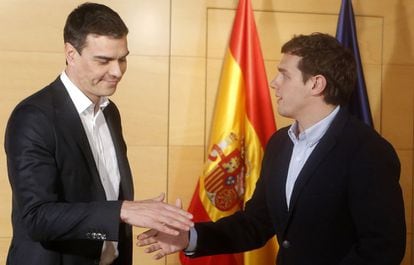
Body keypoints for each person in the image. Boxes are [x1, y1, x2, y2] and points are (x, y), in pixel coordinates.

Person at [137, 33, 406, 265]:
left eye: (285, 74)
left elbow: (382, 250)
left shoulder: (368, 151)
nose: (274, 82)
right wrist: (190, 237)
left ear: (316, 84)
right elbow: (256, 223)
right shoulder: (280, 143)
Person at [4, 3, 193, 265]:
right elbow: (37, 218)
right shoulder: (33, 117)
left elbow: (101, 194)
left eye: (123, 58)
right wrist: (123, 211)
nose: (117, 72)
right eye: (104, 60)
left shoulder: (110, 111)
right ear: (71, 53)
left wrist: (138, 212)